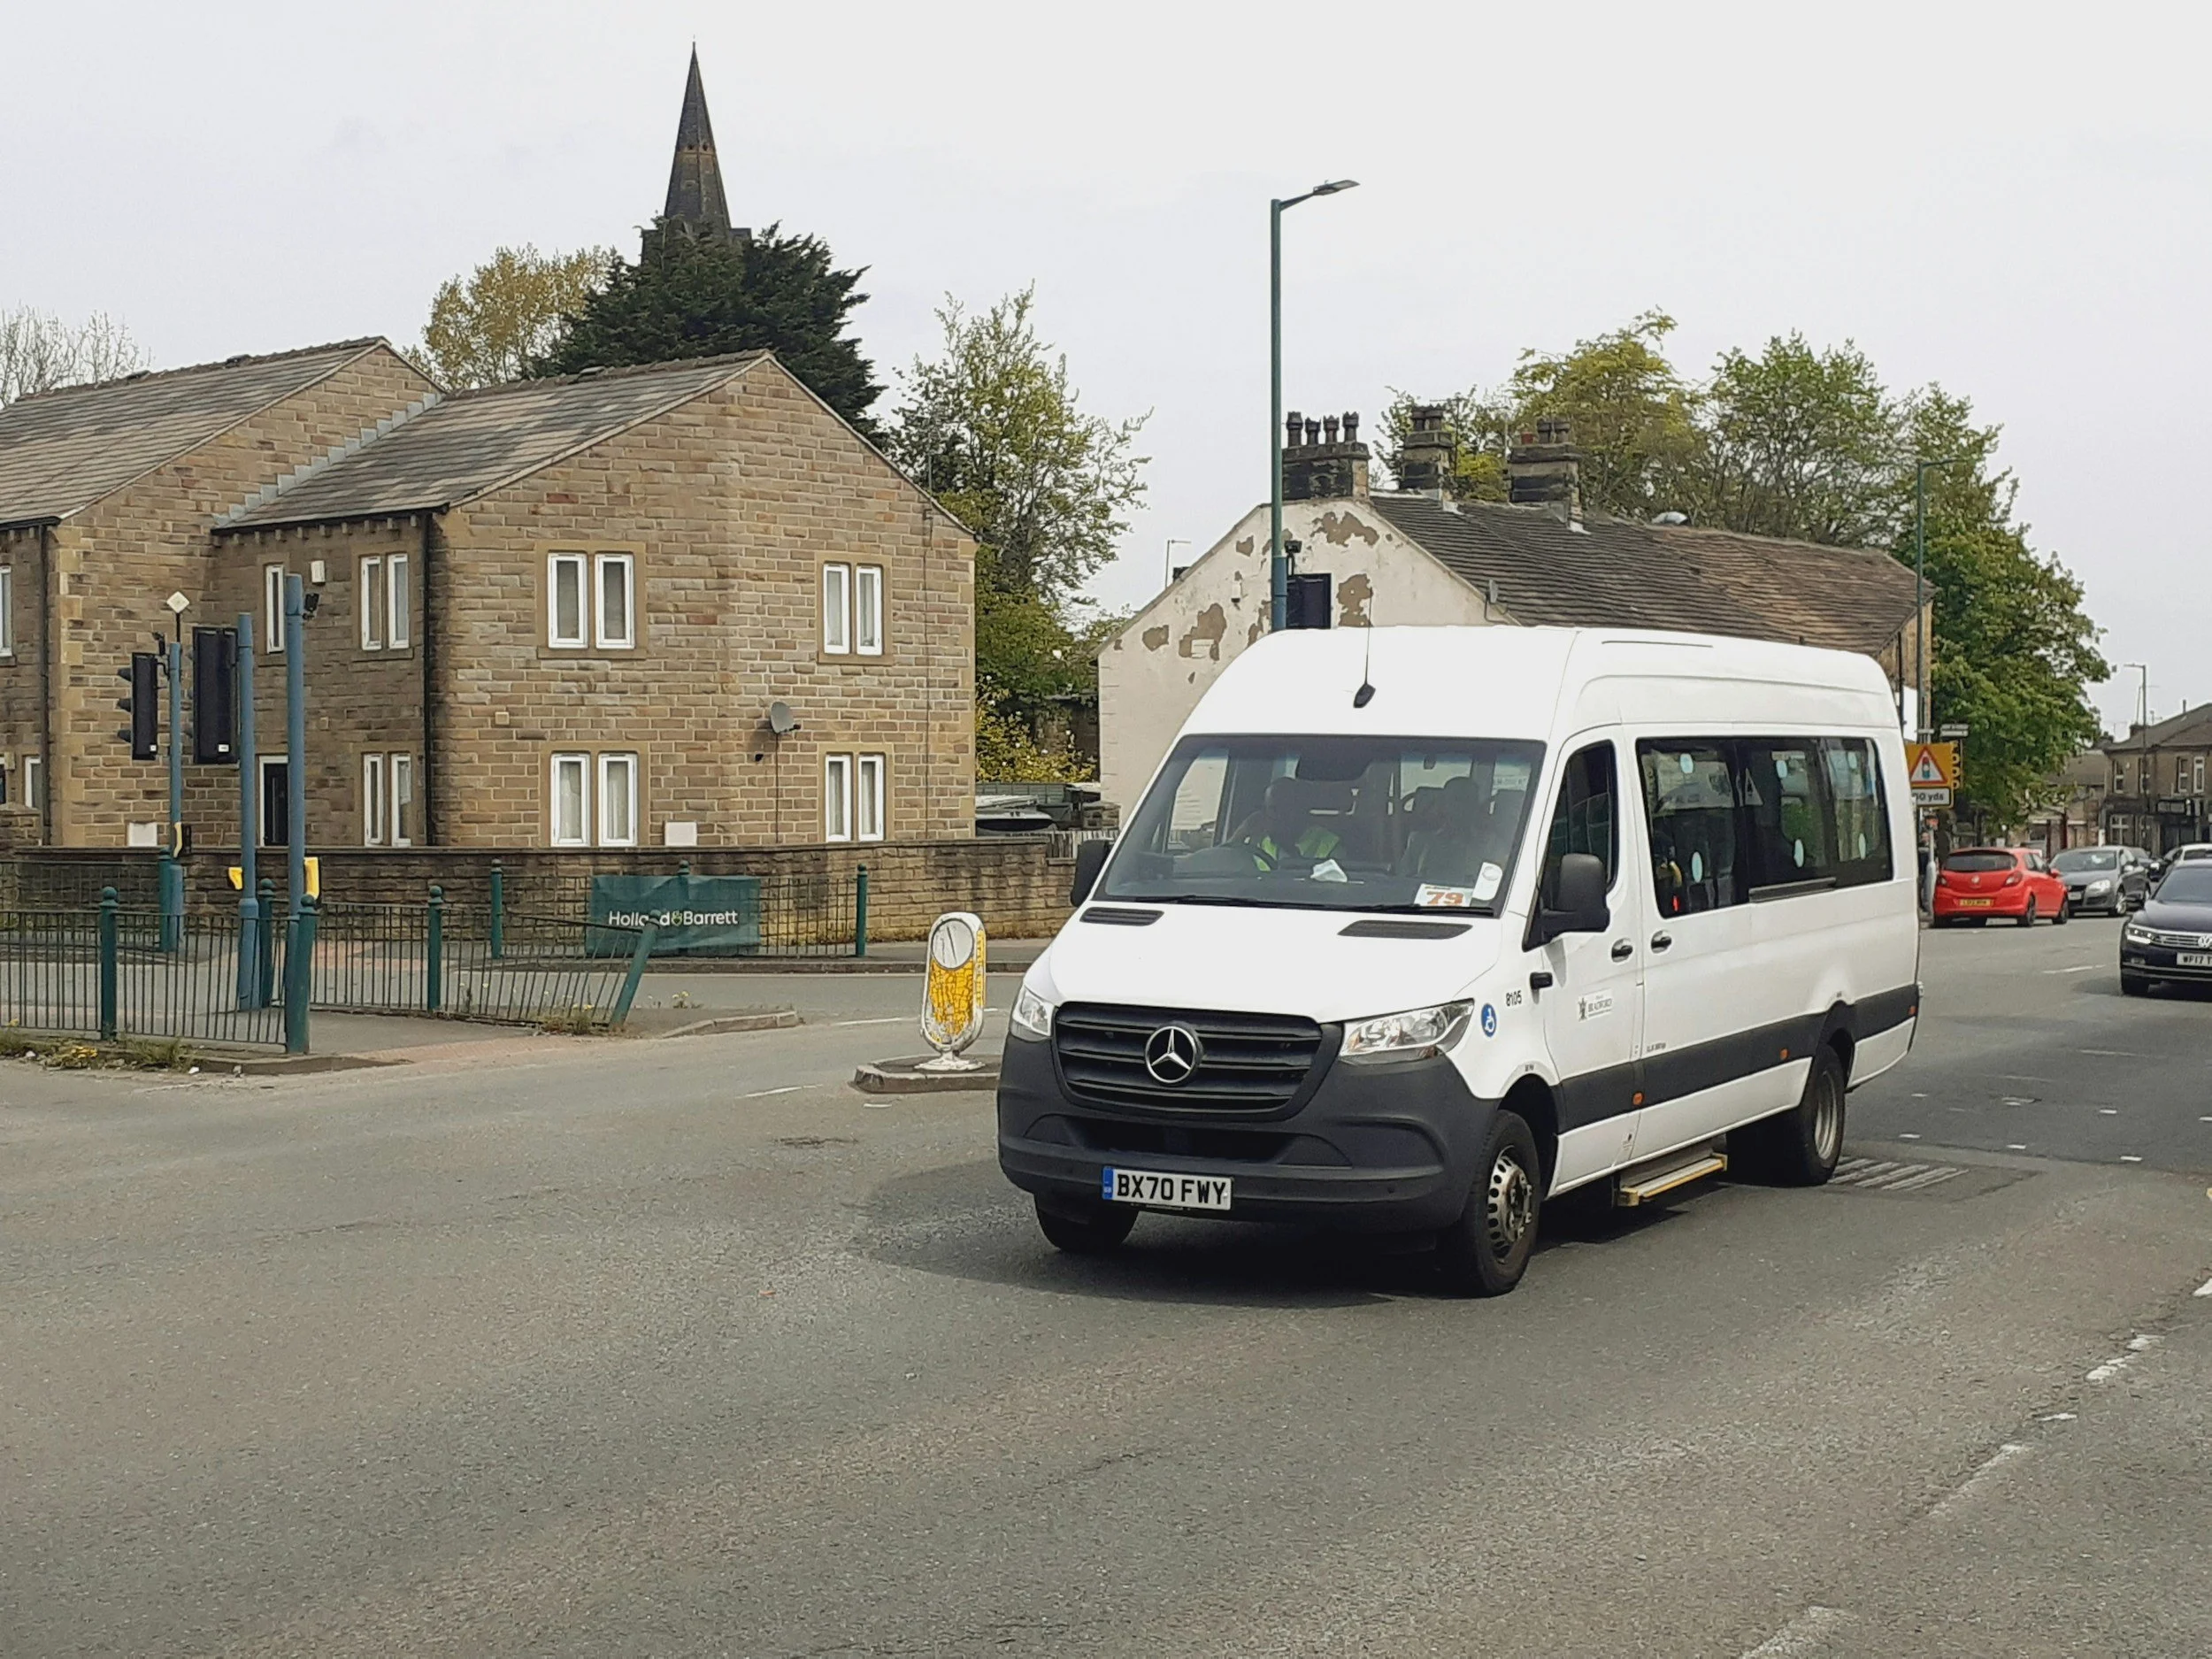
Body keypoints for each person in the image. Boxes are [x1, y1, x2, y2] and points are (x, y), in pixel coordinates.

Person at [1229, 779, 1341, 870]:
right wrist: (1242, 832)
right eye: (1273, 809)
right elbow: (1222, 863)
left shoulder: (1329, 844)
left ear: (1303, 810)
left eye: (1287, 809)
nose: (1279, 816)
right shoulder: (1258, 842)